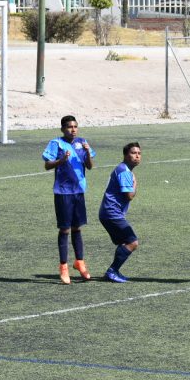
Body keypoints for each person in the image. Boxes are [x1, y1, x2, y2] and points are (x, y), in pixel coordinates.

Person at [42, 115, 94, 284]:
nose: (73, 130)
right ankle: (63, 266)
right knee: (65, 230)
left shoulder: (82, 142)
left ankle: (80, 262)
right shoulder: (56, 143)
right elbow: (47, 165)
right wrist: (61, 160)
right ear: (63, 129)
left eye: (75, 126)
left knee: (77, 228)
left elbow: (90, 166)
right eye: (70, 127)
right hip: (63, 192)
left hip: (79, 191)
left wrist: (87, 152)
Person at [99, 142, 142, 283]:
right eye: (133, 153)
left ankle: (114, 271)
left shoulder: (123, 169)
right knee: (132, 242)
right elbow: (129, 195)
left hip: (109, 213)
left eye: (139, 153)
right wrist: (135, 184)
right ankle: (112, 271)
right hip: (112, 213)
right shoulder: (124, 172)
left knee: (125, 242)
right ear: (125, 155)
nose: (137, 156)